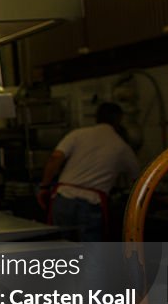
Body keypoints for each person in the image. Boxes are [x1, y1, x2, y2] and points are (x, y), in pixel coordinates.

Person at [38, 101, 140, 241]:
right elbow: (139, 180)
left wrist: (44, 186)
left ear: (96, 117)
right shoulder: (122, 147)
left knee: (62, 250)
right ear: (119, 119)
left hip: (63, 199)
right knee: (90, 256)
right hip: (91, 203)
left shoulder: (78, 134)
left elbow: (55, 158)